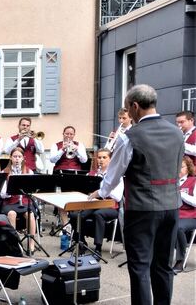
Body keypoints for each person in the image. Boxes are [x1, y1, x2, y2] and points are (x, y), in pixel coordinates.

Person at [90, 84, 183, 305]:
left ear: (134, 106)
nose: (127, 113)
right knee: (163, 265)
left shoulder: (129, 137)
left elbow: (114, 174)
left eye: (127, 108)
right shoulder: (177, 132)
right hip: (171, 206)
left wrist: (100, 192)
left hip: (142, 209)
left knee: (140, 266)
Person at [70, 149, 123, 257]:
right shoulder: (93, 174)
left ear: (111, 159)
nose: (101, 160)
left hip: (111, 206)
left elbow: (117, 197)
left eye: (104, 157)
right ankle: (81, 243)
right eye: (99, 157)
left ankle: (98, 248)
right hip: (94, 204)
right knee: (75, 215)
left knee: (99, 214)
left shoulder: (116, 176)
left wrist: (101, 192)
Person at [0, 147, 36, 252]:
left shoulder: (29, 172)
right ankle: (14, 243)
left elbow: (32, 190)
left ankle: (31, 244)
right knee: (11, 214)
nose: (17, 159)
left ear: (23, 158)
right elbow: (2, 194)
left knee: (30, 214)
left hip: (24, 202)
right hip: (10, 203)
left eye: (19, 157)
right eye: (15, 156)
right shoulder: (4, 172)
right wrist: (10, 191)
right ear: (10, 158)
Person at [173, 156, 196, 272]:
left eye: (181, 167)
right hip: (173, 214)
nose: (178, 170)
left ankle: (180, 260)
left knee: (177, 227)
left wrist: (180, 193)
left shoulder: (194, 181)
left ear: (188, 168)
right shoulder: (171, 181)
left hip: (190, 216)